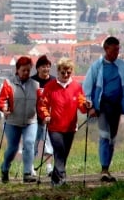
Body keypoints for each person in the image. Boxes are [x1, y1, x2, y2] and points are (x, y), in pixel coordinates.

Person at [83, 36, 124, 183]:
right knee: (104, 135)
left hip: (117, 106)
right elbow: (87, 87)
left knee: (112, 138)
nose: (116, 53)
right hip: (102, 106)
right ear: (106, 49)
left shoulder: (123, 66)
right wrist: (91, 107)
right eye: (114, 50)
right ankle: (104, 169)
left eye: (118, 50)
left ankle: (107, 167)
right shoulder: (97, 67)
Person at [37, 57, 90, 187]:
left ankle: (55, 179)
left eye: (68, 72)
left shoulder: (76, 87)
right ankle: (62, 178)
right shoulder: (50, 87)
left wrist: (87, 106)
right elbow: (42, 104)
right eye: (63, 73)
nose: (66, 75)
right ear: (58, 71)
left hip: (71, 127)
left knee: (64, 154)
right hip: (54, 126)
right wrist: (46, 115)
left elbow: (82, 106)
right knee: (59, 151)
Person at [0, 56, 40, 183]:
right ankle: (5, 168)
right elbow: (2, 99)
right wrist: (4, 109)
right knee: (13, 148)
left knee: (29, 144)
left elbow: (41, 102)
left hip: (30, 121)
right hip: (12, 121)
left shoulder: (35, 85)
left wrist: (44, 114)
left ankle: (27, 173)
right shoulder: (9, 83)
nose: (26, 73)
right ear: (17, 70)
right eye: (23, 70)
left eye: (28, 70)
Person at [32, 54, 56, 175]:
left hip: (49, 118)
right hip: (34, 118)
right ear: (38, 68)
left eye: (48, 66)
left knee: (49, 143)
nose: (46, 69)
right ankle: (30, 167)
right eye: (43, 67)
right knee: (33, 142)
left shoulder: (53, 81)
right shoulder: (32, 81)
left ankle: (49, 167)